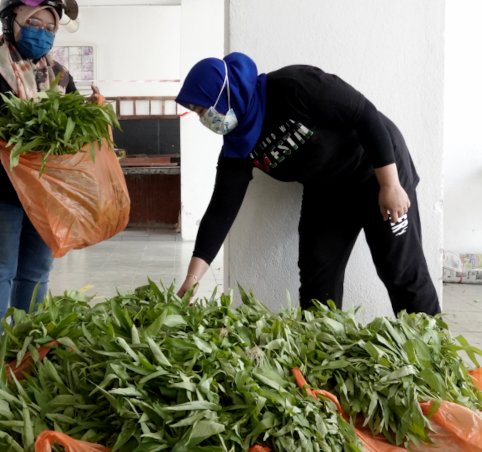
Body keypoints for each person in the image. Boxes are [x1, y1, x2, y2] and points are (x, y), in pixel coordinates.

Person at [174, 53, 440, 315]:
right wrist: (193, 277)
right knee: (317, 280)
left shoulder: (294, 86)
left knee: (400, 270)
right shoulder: (237, 147)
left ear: (223, 93)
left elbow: (364, 114)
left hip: (376, 170)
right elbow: (221, 210)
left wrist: (390, 185)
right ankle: (322, 354)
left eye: (203, 110)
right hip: (326, 190)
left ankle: (433, 354)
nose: (204, 120)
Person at [0, 0, 102, 380]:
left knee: (36, 273)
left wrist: (90, 113)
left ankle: (26, 354)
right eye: (35, 22)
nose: (44, 32)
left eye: (51, 26)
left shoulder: (57, 74)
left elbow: (71, 125)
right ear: (11, 20)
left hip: (42, 190)